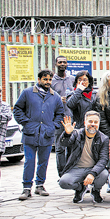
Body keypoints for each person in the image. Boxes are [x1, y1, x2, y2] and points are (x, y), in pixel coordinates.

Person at [14, 69, 64, 201]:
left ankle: (40, 185)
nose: (47, 82)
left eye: (49, 79)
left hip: (46, 134)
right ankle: (26, 188)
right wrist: (26, 122)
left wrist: (53, 125)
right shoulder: (27, 93)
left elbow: (60, 113)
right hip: (30, 133)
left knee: (43, 162)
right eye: (45, 79)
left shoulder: (55, 96)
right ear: (39, 79)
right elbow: (18, 109)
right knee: (29, 161)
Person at [59, 111, 110, 204]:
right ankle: (80, 188)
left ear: (99, 123)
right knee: (63, 182)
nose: (93, 124)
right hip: (77, 168)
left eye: (95, 122)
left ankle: (96, 190)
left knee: (104, 174)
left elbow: (103, 160)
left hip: (94, 168)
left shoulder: (104, 139)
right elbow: (64, 144)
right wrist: (67, 134)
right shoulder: (76, 134)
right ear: (84, 122)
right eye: (90, 121)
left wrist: (92, 173)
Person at [51, 56, 75, 177]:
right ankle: (62, 174)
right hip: (58, 118)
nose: (62, 64)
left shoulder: (72, 79)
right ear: (56, 64)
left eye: (64, 62)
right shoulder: (51, 81)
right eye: (60, 62)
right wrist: (57, 100)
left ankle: (70, 172)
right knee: (60, 148)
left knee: (71, 147)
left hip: (71, 117)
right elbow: (46, 98)